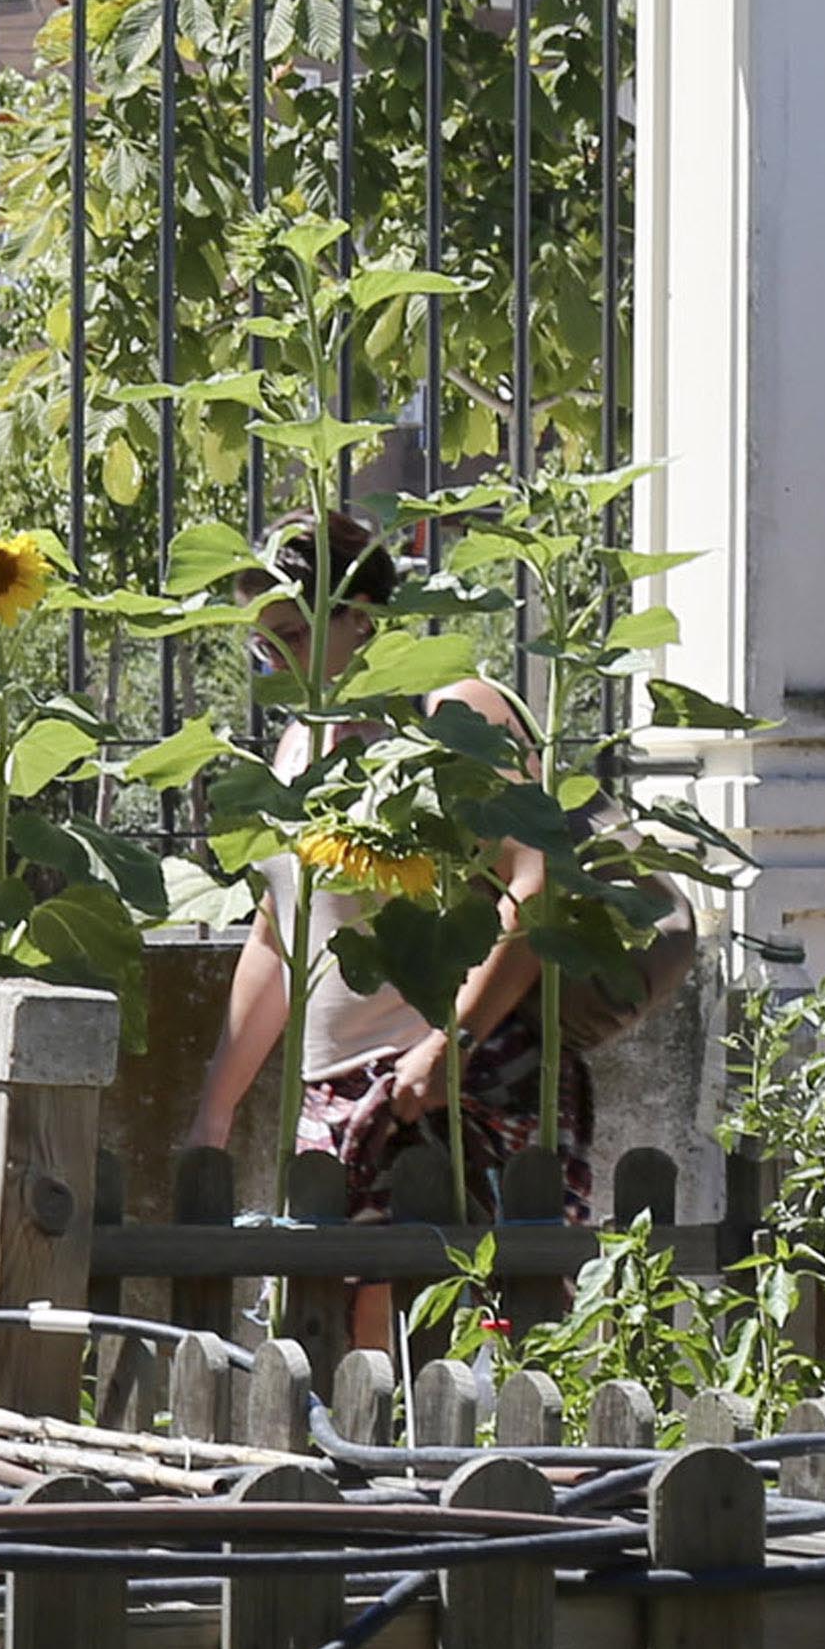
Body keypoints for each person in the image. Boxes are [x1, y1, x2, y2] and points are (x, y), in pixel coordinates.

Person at [187, 512, 581, 1232]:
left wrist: (446, 1049)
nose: (276, 660)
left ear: (361, 617)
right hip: (335, 1093)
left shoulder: (450, 711)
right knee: (337, 1326)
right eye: (262, 642)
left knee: (470, 1322)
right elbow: (279, 938)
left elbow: (534, 887)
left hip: (456, 1084)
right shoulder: (298, 745)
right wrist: (215, 1111)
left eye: (295, 636)